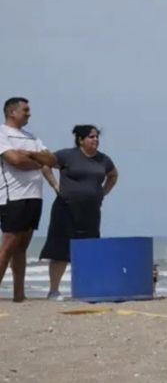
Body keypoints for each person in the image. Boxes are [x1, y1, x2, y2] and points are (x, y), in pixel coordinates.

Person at [31, 125, 118, 300]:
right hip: (66, 208)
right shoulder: (67, 155)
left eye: (96, 137)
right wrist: (55, 186)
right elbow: (45, 165)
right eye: (91, 137)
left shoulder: (103, 160)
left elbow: (113, 175)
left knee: (88, 249)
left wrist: (103, 192)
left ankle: (87, 288)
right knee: (60, 249)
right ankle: (54, 290)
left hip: (91, 211)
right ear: (81, 139)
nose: (95, 140)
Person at [0, 97, 52, 302]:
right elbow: (16, 161)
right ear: (12, 112)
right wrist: (37, 160)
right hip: (13, 196)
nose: (29, 113)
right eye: (25, 109)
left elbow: (51, 159)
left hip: (34, 196)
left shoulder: (32, 137)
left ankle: (19, 295)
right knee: (8, 245)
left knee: (22, 247)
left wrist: (31, 155)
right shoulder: (2, 133)